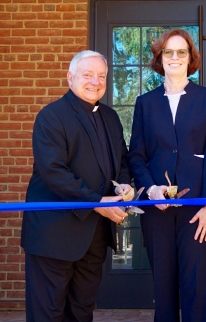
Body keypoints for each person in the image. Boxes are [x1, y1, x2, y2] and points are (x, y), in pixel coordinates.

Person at [21, 50, 132, 321]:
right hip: (54, 233)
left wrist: (125, 186)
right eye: (88, 75)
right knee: (48, 313)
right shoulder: (51, 116)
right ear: (70, 78)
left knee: (82, 312)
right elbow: (53, 172)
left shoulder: (110, 116)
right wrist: (97, 202)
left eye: (102, 76)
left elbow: (122, 162)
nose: (96, 81)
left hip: (94, 235)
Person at [128, 29, 206, 322]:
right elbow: (136, 156)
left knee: (197, 287)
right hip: (156, 209)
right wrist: (150, 189)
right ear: (160, 58)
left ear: (190, 58)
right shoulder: (145, 102)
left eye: (181, 52)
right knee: (164, 288)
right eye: (168, 52)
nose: (174, 57)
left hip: (197, 209)